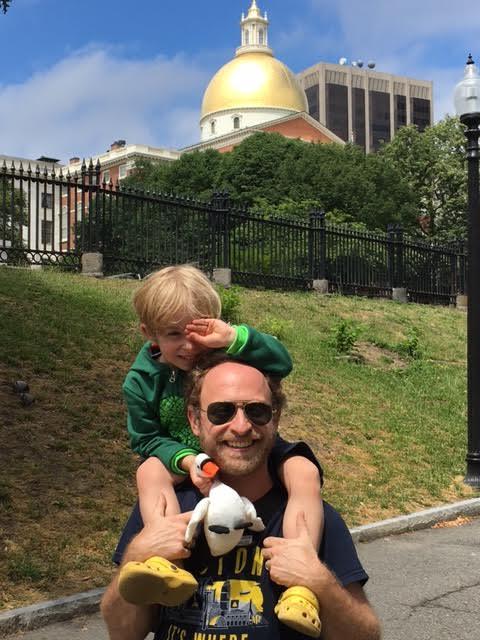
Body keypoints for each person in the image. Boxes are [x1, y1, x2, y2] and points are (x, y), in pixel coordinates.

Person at [101, 353, 381, 640]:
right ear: (194, 420)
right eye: (221, 411)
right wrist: (136, 554)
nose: (241, 427)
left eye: (256, 411)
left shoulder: (312, 517)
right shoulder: (165, 509)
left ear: (275, 418)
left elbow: (365, 636)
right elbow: (123, 632)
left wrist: (320, 583)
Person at [120, 265, 325, 634]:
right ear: (149, 333)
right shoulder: (141, 381)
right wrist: (186, 459)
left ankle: (301, 581)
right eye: (173, 335)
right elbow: (146, 438)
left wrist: (232, 336)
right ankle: (166, 561)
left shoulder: (225, 350)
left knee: (304, 472)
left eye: (195, 332)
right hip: (182, 454)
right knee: (147, 471)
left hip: (243, 444)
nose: (188, 346)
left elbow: (282, 362)